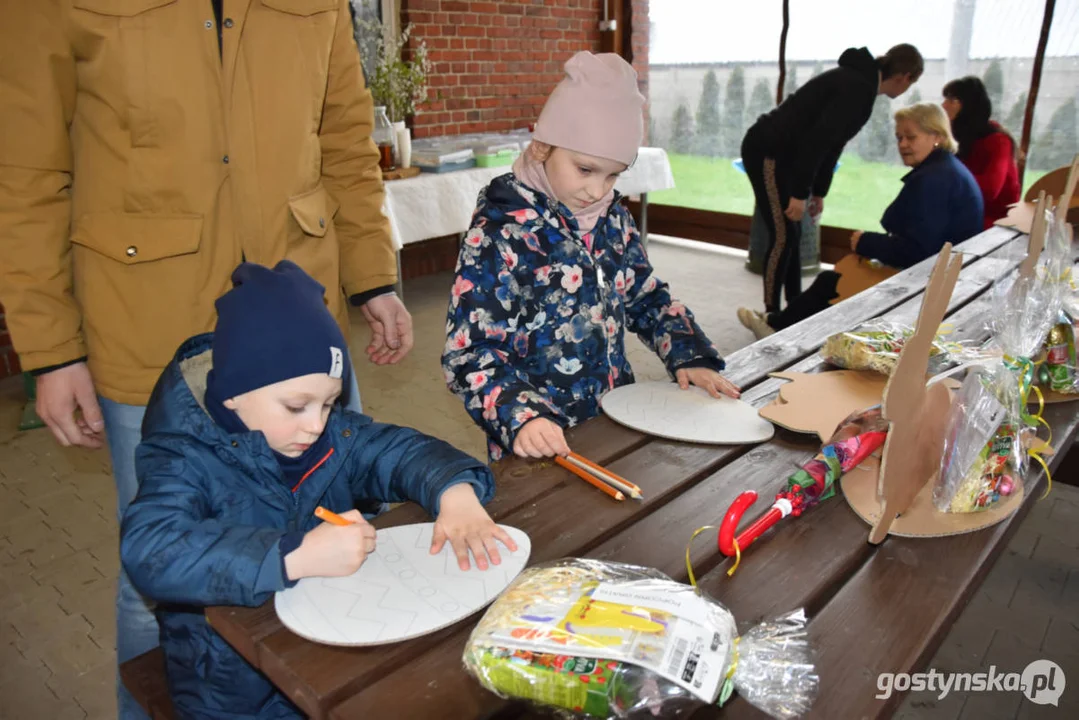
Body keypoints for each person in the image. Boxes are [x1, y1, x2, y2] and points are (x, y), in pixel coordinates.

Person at [0, 2, 413, 716]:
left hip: (299, 320)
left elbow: (346, 141)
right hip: (146, 319)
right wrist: (53, 347)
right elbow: (27, 172)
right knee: (158, 576)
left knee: (333, 527)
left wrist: (372, 277)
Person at [120, 260, 512, 719]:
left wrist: (454, 493)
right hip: (230, 687)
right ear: (232, 394)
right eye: (295, 406)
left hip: (326, 652)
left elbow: (400, 451)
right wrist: (292, 555)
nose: (315, 425)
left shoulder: (330, 435)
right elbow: (152, 550)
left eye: (328, 403)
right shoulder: (183, 457)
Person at [441, 51, 740, 462]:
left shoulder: (613, 219)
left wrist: (689, 352)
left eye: (613, 174)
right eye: (585, 169)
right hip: (537, 437)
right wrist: (521, 417)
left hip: (615, 413)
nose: (598, 191)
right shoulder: (498, 235)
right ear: (543, 146)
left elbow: (646, 298)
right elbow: (470, 353)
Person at [739, 103, 983, 338]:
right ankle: (780, 324)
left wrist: (866, 242)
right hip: (946, 275)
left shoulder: (933, 180)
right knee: (836, 278)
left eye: (911, 137)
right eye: (899, 138)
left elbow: (917, 251)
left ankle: (779, 328)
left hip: (929, 284)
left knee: (833, 281)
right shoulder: (946, 169)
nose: (903, 144)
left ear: (937, 136)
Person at [741, 44, 924, 321]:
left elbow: (833, 144)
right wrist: (801, 193)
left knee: (793, 232)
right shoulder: (857, 86)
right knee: (783, 232)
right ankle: (772, 313)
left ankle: (793, 307)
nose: (906, 91)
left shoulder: (863, 86)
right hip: (769, 149)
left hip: (790, 155)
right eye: (911, 83)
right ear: (904, 76)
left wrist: (818, 191)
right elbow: (817, 142)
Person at [942, 76, 1021, 228]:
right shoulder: (957, 134)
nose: (943, 105)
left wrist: (948, 179)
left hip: (996, 222)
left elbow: (991, 190)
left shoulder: (998, 141)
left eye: (951, 101)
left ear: (968, 106)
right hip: (966, 213)